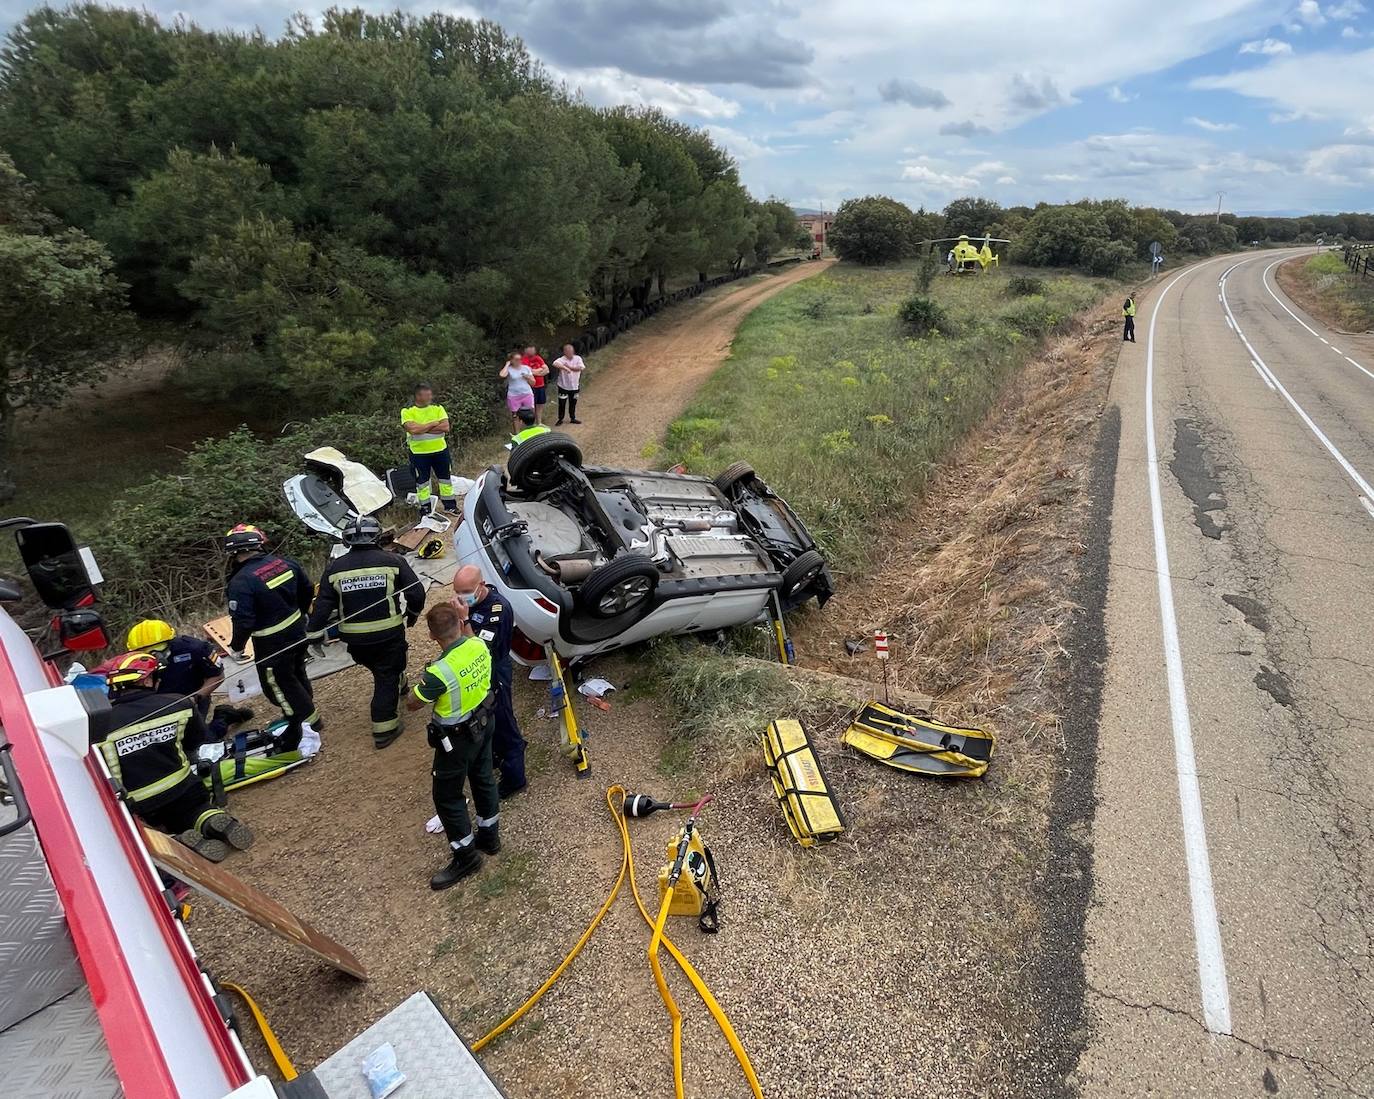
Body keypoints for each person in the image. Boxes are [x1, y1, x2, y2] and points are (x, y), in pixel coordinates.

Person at [100, 652, 253, 863]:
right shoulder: (177, 704)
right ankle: (211, 819)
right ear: (145, 679)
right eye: (156, 675)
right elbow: (196, 743)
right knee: (197, 809)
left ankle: (179, 839)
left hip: (142, 803)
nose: (159, 679)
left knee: (163, 826)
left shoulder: (99, 728)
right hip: (183, 787)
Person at [308, 515, 426, 749]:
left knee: (385, 668)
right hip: (388, 636)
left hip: (356, 642)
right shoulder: (393, 561)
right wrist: (412, 614)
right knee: (386, 675)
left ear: (347, 540)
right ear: (377, 535)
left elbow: (321, 606)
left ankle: (399, 682)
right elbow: (417, 594)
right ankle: (385, 728)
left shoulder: (335, 568)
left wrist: (313, 636)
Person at [406, 603, 499, 890]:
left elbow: (412, 704)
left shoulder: (438, 673)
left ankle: (466, 855)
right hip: (484, 723)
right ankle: (490, 835)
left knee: (447, 796)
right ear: (460, 624)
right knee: (483, 778)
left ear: (433, 637)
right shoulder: (478, 644)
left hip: (456, 740)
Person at [223, 523, 322, 757]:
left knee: (278, 683)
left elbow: (244, 620)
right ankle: (307, 713)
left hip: (271, 642)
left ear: (234, 552)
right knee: (297, 672)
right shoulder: (284, 562)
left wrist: (236, 647)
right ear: (258, 544)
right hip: (298, 629)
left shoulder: (241, 582)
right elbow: (307, 589)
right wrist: (300, 612)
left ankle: (305, 723)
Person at [452, 564, 526, 798]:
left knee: (503, 720)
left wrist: (463, 621)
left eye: (466, 591)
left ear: (480, 586)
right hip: (480, 674)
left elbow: (481, 650)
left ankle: (515, 777)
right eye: (458, 592)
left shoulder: (497, 609)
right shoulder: (472, 604)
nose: (462, 597)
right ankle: (496, 755)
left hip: (495, 671)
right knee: (486, 719)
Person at [117, 618, 253, 740]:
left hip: (193, 699)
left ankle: (223, 718)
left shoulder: (194, 649)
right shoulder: (131, 664)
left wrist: (195, 698)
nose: (154, 657)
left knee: (201, 742)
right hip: (159, 706)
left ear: (171, 641)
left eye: (158, 650)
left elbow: (217, 676)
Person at [400, 383, 457, 516]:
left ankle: (450, 506)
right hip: (419, 453)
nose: (431, 396)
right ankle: (425, 509)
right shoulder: (407, 411)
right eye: (428, 394)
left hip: (440, 451)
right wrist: (432, 423)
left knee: (445, 479)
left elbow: (445, 427)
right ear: (418, 396)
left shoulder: (438, 408)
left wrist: (422, 428)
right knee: (422, 482)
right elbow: (413, 430)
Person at [500, 350, 537, 438]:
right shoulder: (509, 369)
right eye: (516, 359)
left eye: (520, 359)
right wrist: (507, 364)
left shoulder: (526, 368)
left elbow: (533, 383)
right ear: (511, 360)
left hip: (526, 393)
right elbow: (502, 375)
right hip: (513, 395)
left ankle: (531, 431)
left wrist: (528, 377)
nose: (519, 361)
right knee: (515, 415)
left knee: (530, 413)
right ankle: (517, 434)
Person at [552, 343, 585, 425]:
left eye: (571, 351)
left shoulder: (578, 358)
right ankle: (560, 419)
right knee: (562, 403)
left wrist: (569, 367)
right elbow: (554, 363)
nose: (570, 353)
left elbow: (581, 368)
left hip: (574, 386)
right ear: (564, 352)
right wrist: (564, 367)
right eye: (568, 351)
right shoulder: (562, 359)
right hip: (563, 386)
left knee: (573, 403)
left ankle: (573, 418)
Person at [523, 345, 550, 426]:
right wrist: (540, 370)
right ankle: (532, 423)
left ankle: (539, 422)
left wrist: (535, 372)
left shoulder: (538, 358)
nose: (532, 350)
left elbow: (547, 370)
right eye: (530, 348)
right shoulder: (523, 360)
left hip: (540, 385)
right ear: (526, 350)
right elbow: (527, 372)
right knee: (531, 406)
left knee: (540, 404)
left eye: (533, 349)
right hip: (530, 387)